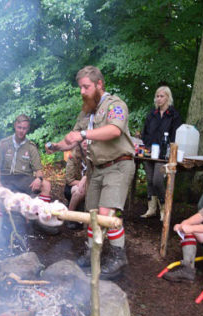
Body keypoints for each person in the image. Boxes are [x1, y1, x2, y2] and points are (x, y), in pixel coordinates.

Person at [48, 66, 135, 279]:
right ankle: (92, 253)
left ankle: (117, 257)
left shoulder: (116, 105)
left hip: (118, 165)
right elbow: (73, 139)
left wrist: (85, 134)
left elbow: (114, 130)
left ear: (99, 85)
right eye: (80, 87)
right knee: (91, 215)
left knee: (106, 215)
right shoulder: (87, 112)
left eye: (86, 87)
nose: (82, 92)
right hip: (96, 169)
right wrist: (58, 147)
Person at [0, 114, 55, 244]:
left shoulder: (31, 147)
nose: (21, 131)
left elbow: (39, 170)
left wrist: (39, 179)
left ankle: (39, 220)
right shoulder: (4, 144)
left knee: (46, 185)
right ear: (15, 126)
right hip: (5, 177)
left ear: (28, 129)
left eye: (24, 128)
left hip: (23, 179)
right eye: (19, 127)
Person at [140, 86, 182, 221]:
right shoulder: (152, 114)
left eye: (161, 96)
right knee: (150, 180)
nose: (158, 98)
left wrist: (168, 150)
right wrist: (147, 146)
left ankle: (164, 207)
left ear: (168, 98)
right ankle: (151, 209)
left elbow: (176, 135)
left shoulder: (174, 115)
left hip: (164, 154)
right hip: (150, 151)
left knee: (158, 180)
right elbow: (145, 132)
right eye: (157, 96)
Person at [63, 140, 88, 230]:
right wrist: (81, 183)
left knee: (81, 190)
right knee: (78, 191)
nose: (85, 142)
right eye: (83, 140)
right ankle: (69, 218)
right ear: (79, 143)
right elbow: (69, 180)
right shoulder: (73, 156)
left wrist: (85, 180)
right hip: (73, 186)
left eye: (87, 140)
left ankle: (74, 214)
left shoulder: (96, 156)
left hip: (90, 186)